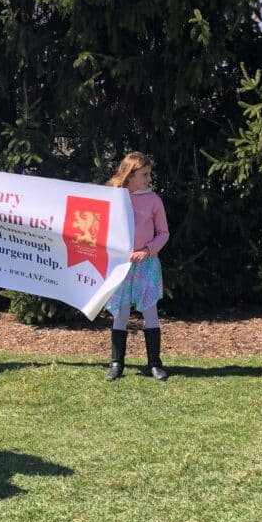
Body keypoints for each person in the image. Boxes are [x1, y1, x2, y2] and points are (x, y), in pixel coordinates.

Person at [104, 152, 170, 382]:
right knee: (121, 313)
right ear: (129, 175)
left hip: (147, 265)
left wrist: (147, 251)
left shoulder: (154, 200)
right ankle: (116, 363)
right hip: (120, 266)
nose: (148, 179)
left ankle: (154, 363)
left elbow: (163, 233)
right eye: (144, 174)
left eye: (149, 174)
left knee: (150, 311)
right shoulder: (115, 198)